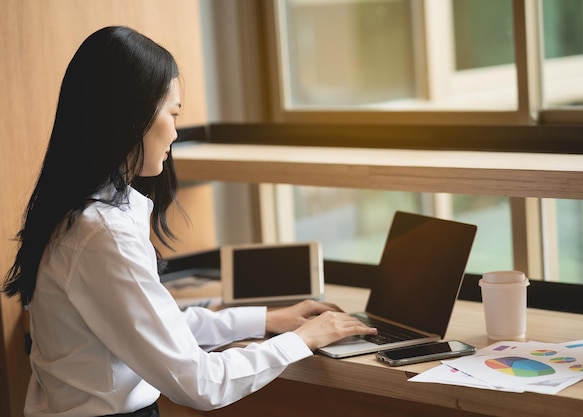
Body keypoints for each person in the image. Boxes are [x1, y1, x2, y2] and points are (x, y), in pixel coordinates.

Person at [2, 26, 376, 417]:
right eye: (173, 113)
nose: (176, 132)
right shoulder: (101, 234)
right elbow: (200, 383)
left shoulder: (84, 213)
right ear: (133, 116)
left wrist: (264, 319)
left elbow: (155, 327)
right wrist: (303, 340)